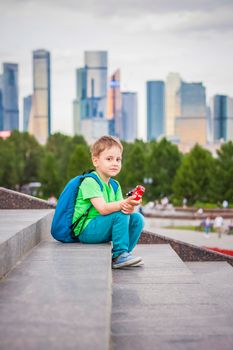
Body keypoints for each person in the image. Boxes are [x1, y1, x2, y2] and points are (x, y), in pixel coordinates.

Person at [72, 136, 145, 269]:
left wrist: (130, 206)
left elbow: (121, 209)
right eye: (109, 159)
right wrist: (123, 204)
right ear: (96, 161)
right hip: (86, 230)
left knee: (137, 218)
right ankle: (119, 255)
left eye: (118, 159)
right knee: (120, 214)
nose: (115, 163)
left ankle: (125, 253)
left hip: (102, 226)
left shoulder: (114, 185)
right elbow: (103, 209)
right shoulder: (90, 181)